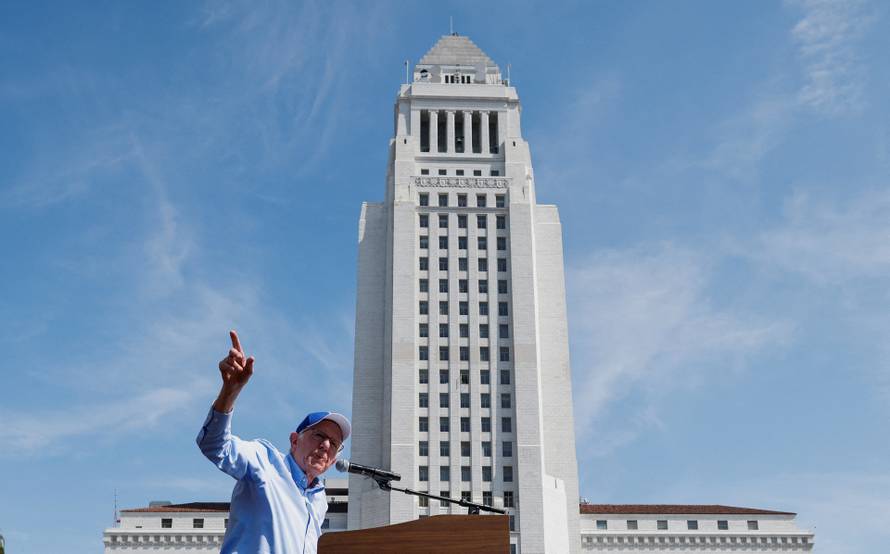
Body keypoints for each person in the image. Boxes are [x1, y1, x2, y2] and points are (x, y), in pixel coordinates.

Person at [197, 330, 350, 554]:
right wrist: (229, 392)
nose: (326, 446)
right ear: (294, 440)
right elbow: (215, 445)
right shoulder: (264, 461)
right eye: (319, 435)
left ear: (333, 459)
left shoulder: (319, 501)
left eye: (334, 444)